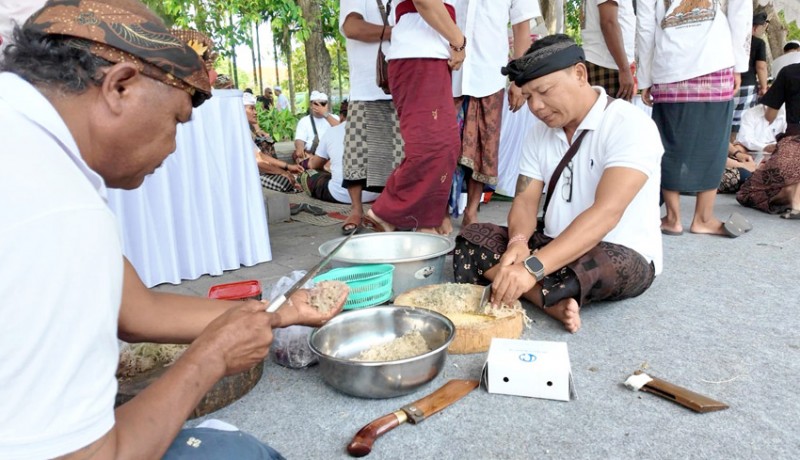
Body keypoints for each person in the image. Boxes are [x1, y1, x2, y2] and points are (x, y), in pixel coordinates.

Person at [0, 1, 345, 459]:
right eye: (176, 121)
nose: (172, 147)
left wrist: (281, 313)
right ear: (120, 86)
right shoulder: (57, 210)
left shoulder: (27, 139)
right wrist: (211, 358)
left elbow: (134, 309)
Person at [453, 34, 664, 334]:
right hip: (550, 243)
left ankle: (530, 286)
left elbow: (607, 213)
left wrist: (532, 268)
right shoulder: (537, 134)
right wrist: (519, 243)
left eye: (544, 91)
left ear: (579, 74)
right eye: (527, 97)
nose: (536, 106)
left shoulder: (629, 124)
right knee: (472, 237)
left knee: (606, 266)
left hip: (617, 250)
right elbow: (525, 202)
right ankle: (550, 299)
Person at [637, 0, 753, 237]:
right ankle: (703, 218)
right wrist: (739, 65)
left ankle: (672, 218)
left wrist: (645, 78)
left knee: (669, 142)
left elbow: (646, 24)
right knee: (714, 142)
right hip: (715, 60)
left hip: (669, 65)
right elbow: (740, 9)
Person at [363, 0, 466, 233]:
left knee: (444, 144)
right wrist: (459, 42)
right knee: (432, 145)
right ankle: (386, 213)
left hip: (428, 55)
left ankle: (425, 220)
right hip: (419, 54)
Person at [448, 0, 538, 229]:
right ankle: (441, 211)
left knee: (485, 146)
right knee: (445, 144)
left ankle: (471, 211)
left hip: (489, 73)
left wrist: (518, 79)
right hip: (448, 70)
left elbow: (521, 28)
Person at [339, 0, 405, 234]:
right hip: (365, 88)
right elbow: (352, 28)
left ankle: (390, 211)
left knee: (400, 159)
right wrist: (396, 33)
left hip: (404, 86)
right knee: (356, 154)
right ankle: (356, 210)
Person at [736, 62, 800, 219]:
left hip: (793, 143)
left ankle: (793, 199)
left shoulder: (790, 72)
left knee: (749, 192)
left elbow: (769, 115)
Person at [301, 101, 382, 212]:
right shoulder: (378, 130)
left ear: (341, 115)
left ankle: (356, 208)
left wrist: (305, 162)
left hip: (341, 194)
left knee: (307, 174)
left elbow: (314, 164)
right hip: (377, 193)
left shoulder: (333, 131)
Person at [244, 92, 304, 193]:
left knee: (289, 177)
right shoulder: (236, 132)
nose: (255, 112)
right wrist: (283, 172)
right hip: (244, 175)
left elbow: (261, 156)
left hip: (255, 170)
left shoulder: (245, 130)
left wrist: (287, 167)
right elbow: (257, 163)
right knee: (285, 182)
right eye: (251, 108)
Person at [580, 0, 636, 101]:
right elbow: (609, 22)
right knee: (612, 115)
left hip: (607, 63)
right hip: (607, 65)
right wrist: (624, 69)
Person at [732, 11, 769, 135]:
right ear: (755, 27)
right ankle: (735, 151)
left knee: (725, 119)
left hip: (727, 83)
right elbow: (761, 67)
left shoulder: (730, 39)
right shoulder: (758, 43)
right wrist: (764, 87)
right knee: (741, 121)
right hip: (746, 85)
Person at [293, 90, 341, 166]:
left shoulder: (334, 118)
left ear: (327, 104)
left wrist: (325, 114)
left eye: (323, 103)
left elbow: (342, 130)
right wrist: (300, 148)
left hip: (331, 155)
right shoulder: (304, 121)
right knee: (298, 157)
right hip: (312, 156)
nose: (320, 106)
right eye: (316, 103)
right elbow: (299, 140)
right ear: (311, 105)